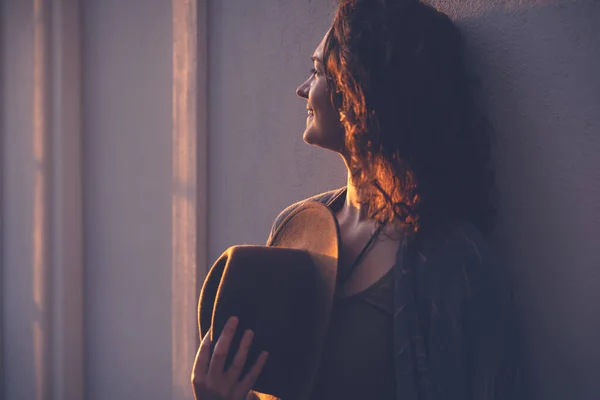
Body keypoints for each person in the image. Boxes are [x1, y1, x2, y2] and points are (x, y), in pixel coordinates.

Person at [192, 0, 529, 399]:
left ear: (359, 90)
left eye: (317, 71)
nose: (302, 90)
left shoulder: (454, 261)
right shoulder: (298, 226)